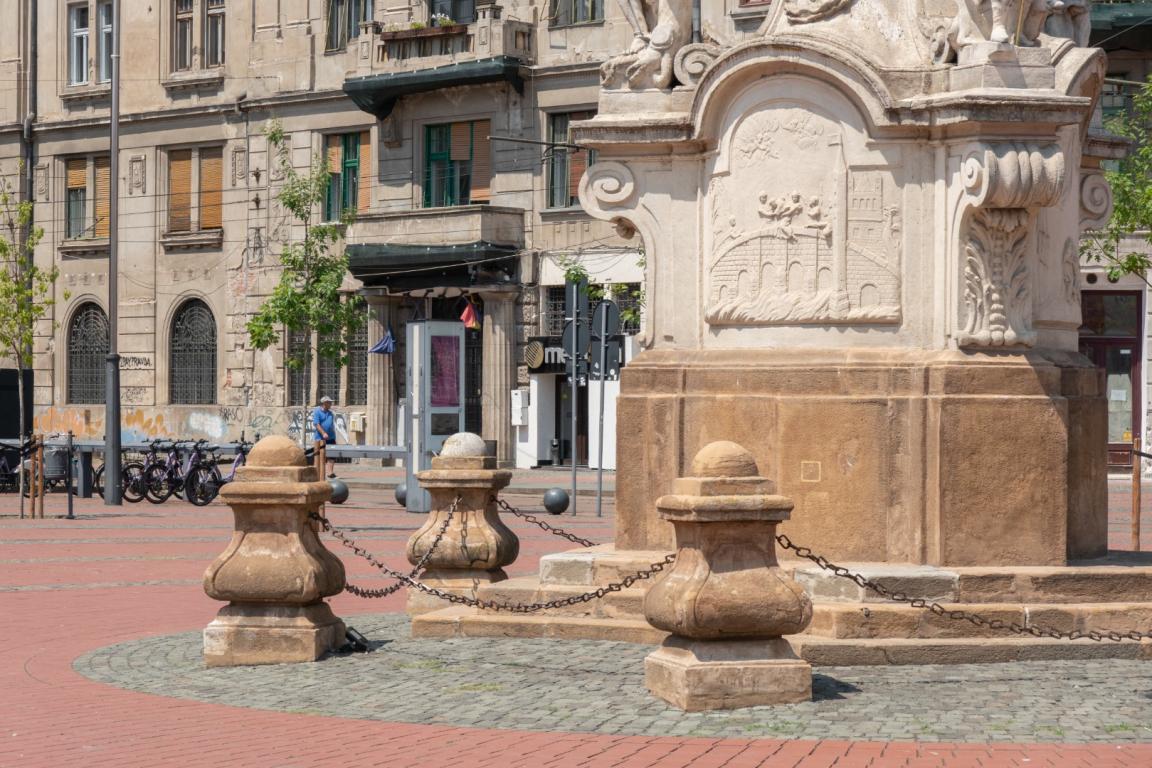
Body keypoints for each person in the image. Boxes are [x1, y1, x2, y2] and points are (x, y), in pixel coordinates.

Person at [312, 396, 337, 478]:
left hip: (331, 437)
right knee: (321, 455)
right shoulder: (317, 412)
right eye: (329, 402)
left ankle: (330, 473)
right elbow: (316, 424)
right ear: (324, 403)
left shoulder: (330, 413)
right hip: (320, 438)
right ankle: (319, 473)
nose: (331, 404)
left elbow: (330, 425)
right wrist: (323, 433)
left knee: (332, 455)